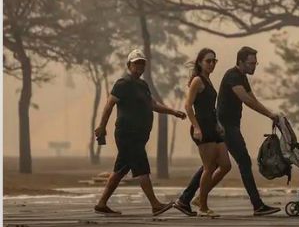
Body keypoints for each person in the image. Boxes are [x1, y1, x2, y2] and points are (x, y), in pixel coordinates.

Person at [175, 46, 281, 217]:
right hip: (225, 125)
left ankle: (189, 198)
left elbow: (251, 96)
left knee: (218, 165)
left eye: (255, 63)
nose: (254, 66)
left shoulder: (239, 78)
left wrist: (271, 113)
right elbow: (246, 99)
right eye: (251, 63)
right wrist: (269, 114)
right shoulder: (232, 76)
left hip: (219, 125)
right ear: (240, 62)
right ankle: (257, 205)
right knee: (242, 162)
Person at [93, 49, 186, 216]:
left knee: (120, 170)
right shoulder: (122, 84)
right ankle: (155, 204)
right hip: (127, 134)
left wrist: (173, 112)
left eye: (142, 63)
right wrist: (102, 126)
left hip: (139, 135)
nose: (139, 66)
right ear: (129, 65)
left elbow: (153, 105)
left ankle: (101, 203)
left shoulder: (143, 85)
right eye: (136, 63)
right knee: (142, 168)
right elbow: (109, 106)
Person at [175, 48, 231, 218]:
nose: (212, 64)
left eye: (214, 61)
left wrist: (219, 124)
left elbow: (210, 107)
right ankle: (203, 207)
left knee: (225, 165)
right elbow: (187, 106)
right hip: (202, 127)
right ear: (200, 62)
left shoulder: (208, 80)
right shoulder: (197, 81)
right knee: (208, 168)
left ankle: (200, 198)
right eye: (208, 61)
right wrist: (197, 127)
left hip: (213, 126)